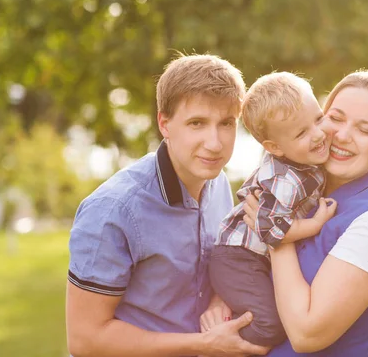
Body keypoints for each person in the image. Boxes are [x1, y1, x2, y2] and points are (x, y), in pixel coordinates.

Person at [65, 54, 268, 357]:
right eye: (197, 123)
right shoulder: (113, 211)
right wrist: (205, 345)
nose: (214, 143)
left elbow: (218, 266)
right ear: (164, 123)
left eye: (226, 123)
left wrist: (219, 300)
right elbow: (86, 340)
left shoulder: (218, 184)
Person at [243, 70, 368, 356]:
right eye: (334, 118)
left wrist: (277, 233)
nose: (342, 136)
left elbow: (307, 334)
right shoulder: (301, 186)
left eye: (365, 130)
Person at [208, 72, 338, 347]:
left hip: (252, 257)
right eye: (302, 132)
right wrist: (314, 225)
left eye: (318, 119)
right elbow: (270, 229)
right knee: (271, 324)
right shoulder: (284, 181)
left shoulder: (304, 158)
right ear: (275, 147)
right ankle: (220, 347)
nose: (318, 135)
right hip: (238, 258)